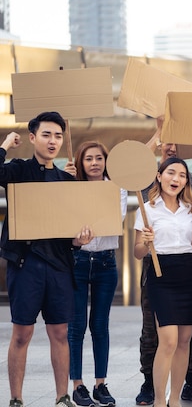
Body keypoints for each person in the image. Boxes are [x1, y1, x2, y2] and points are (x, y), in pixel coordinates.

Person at [3, 111, 94, 407]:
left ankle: (62, 396)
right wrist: (4, 146)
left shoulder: (66, 179)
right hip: (25, 264)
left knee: (60, 332)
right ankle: (16, 398)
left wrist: (78, 241)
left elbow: (69, 231)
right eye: (46, 135)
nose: (53, 141)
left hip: (58, 266)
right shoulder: (18, 170)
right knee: (22, 333)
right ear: (32, 138)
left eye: (57, 135)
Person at [136, 118, 192, 405]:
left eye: (180, 173)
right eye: (165, 144)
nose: (176, 178)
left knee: (186, 340)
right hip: (157, 271)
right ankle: (152, 389)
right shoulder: (144, 181)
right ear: (159, 173)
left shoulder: (191, 194)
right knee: (157, 335)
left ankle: (181, 390)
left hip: (187, 274)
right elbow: (133, 164)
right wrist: (157, 134)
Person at [65, 141, 128, 407]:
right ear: (80, 161)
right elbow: (65, 221)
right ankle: (77, 386)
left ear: (106, 161)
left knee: (100, 326)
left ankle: (100, 384)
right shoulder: (70, 187)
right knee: (76, 327)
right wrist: (66, 185)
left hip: (105, 263)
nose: (94, 163)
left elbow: (116, 217)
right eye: (88, 158)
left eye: (99, 158)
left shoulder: (117, 188)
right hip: (77, 262)